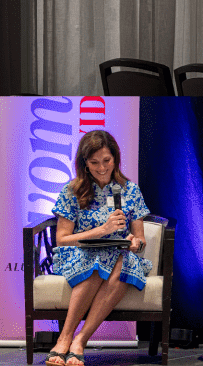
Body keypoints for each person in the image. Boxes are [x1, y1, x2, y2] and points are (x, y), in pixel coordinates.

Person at [45, 131, 151, 366]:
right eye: (94, 163)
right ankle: (65, 337)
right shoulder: (72, 190)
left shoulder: (130, 190)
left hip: (120, 255)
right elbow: (62, 239)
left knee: (122, 260)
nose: (102, 168)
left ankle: (79, 340)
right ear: (85, 163)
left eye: (107, 161)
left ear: (115, 159)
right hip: (80, 252)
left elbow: (141, 238)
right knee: (99, 257)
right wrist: (101, 231)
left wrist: (136, 242)